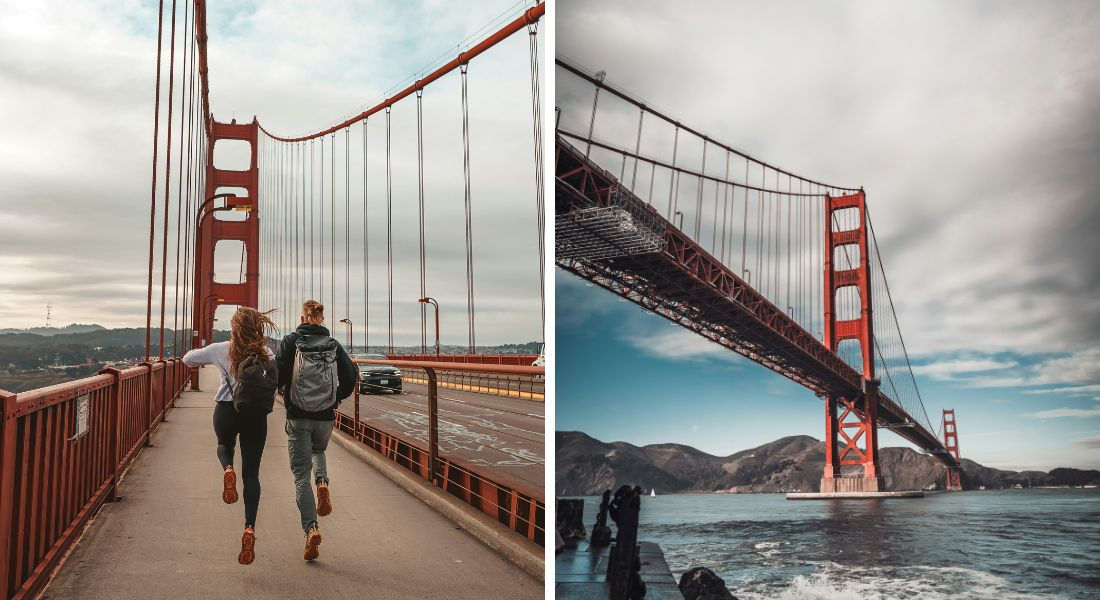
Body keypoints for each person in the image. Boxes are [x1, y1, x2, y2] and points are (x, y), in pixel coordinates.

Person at [182, 307, 277, 565]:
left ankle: (227, 468)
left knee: (224, 445)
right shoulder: (266, 352)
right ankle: (249, 527)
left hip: (226, 409)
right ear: (258, 327)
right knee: (252, 475)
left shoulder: (221, 348)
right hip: (255, 416)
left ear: (235, 327)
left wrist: (209, 360)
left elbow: (187, 359)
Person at [275, 300, 356, 561]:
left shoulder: (290, 342)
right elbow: (350, 377)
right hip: (324, 415)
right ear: (321, 318)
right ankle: (322, 481)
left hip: (298, 416)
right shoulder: (333, 345)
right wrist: (334, 399)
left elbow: (278, 374)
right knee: (318, 450)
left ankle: (311, 530)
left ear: (302, 317)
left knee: (300, 477)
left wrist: (280, 391)